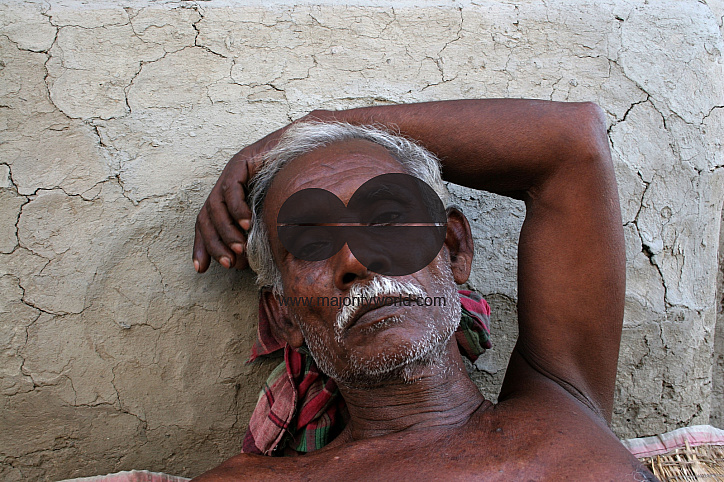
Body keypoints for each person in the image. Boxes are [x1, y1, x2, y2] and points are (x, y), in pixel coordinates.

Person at [191, 100, 658, 481]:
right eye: (313, 243)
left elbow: (573, 142)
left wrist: (320, 124)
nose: (356, 259)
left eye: (389, 219)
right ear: (284, 317)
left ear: (452, 248)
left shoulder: (563, 398)